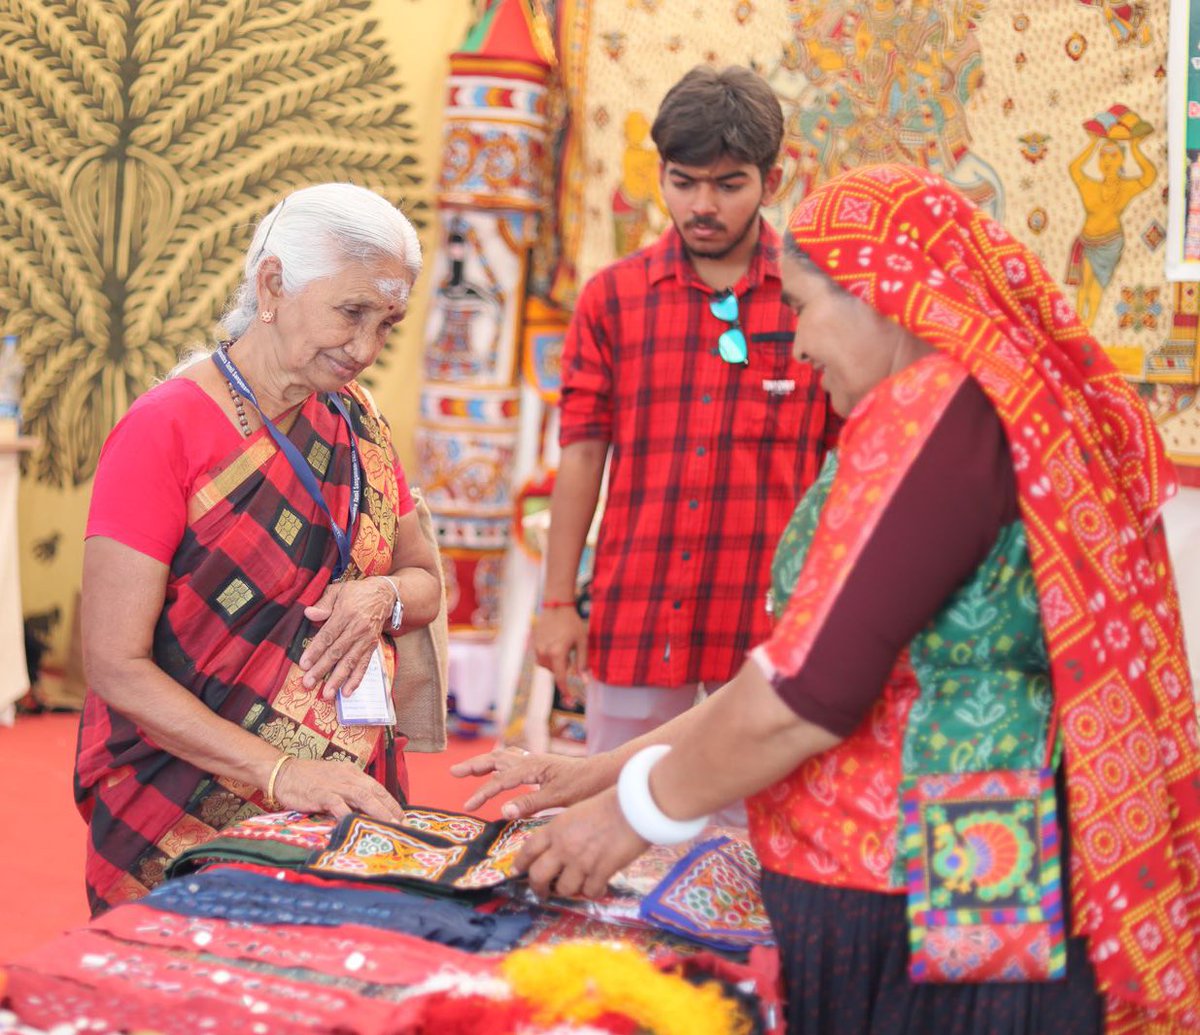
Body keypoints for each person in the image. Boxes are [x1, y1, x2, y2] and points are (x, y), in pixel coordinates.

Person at [456, 165, 1200, 1033]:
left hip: (928, 889)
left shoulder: (937, 409)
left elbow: (804, 698)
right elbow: (794, 664)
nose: (798, 345)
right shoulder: (979, 405)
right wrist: (594, 770)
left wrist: (630, 817)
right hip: (963, 865)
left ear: (885, 293)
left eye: (806, 307)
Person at [75, 183, 444, 916]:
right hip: (179, 803)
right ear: (271, 284)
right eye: (350, 312)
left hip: (344, 794)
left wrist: (382, 596)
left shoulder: (357, 420)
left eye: (387, 323)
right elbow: (115, 662)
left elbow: (427, 580)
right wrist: (282, 773)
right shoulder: (167, 429)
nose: (367, 349)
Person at [535, 64, 834, 757]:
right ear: (660, 172)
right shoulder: (611, 299)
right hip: (637, 616)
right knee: (621, 814)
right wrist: (557, 604)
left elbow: (850, 467)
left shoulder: (819, 299)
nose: (703, 204)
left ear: (772, 182)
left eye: (729, 185)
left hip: (770, 627)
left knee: (750, 832)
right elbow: (581, 454)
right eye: (683, 181)